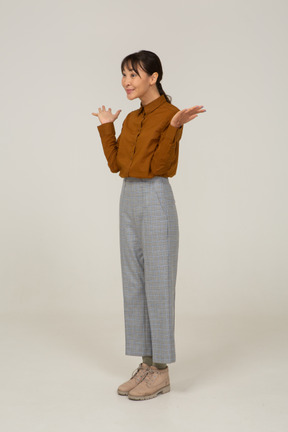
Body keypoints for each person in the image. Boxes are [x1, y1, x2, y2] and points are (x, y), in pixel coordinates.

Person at [92, 50, 206, 401]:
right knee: (134, 282)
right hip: (129, 198)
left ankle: (161, 371)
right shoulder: (130, 120)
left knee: (158, 283)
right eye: (124, 74)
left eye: (133, 74)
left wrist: (174, 130)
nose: (127, 81)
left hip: (156, 196)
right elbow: (116, 165)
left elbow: (163, 166)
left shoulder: (171, 115)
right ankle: (146, 364)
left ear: (153, 77)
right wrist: (107, 127)